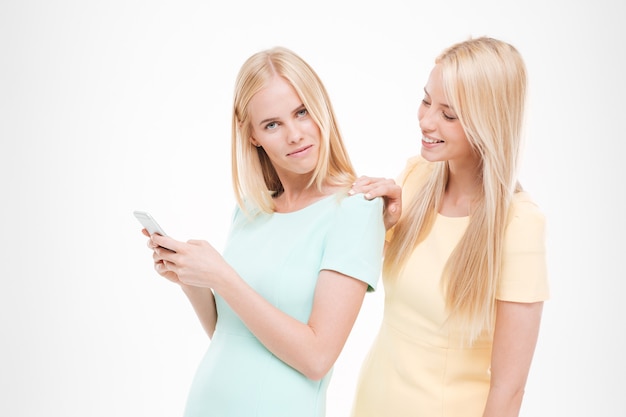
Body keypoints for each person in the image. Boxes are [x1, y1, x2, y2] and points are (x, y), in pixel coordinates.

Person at [139, 46, 385, 417]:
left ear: (321, 108)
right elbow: (233, 334)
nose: (295, 135)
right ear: (252, 135)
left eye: (302, 112)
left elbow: (317, 358)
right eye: (272, 124)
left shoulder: (356, 210)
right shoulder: (250, 211)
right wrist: (192, 281)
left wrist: (222, 277)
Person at [349, 36, 549, 417]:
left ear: (489, 122)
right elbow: (378, 284)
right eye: (426, 101)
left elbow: (510, 389)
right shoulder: (415, 177)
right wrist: (380, 226)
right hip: (372, 401)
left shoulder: (519, 225)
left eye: (448, 114)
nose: (426, 120)